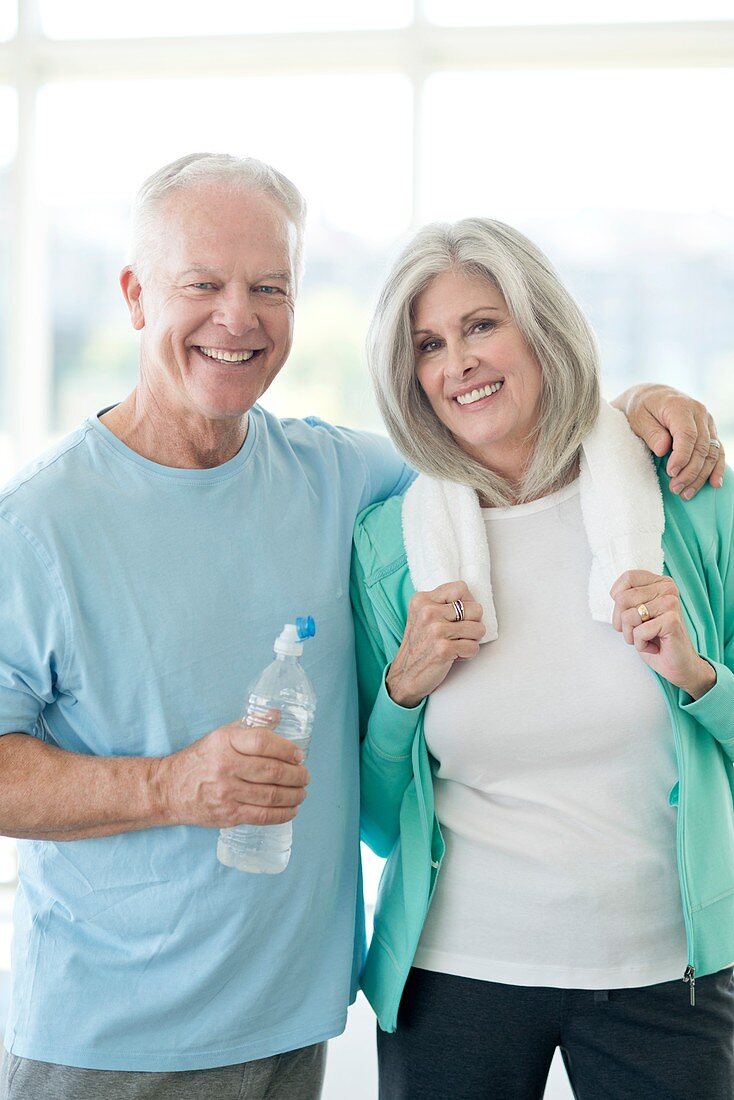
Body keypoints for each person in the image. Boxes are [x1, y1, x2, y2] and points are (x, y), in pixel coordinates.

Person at [0, 154, 723, 1100]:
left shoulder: (348, 485)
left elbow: (504, 446)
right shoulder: (40, 527)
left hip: (294, 1024)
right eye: (201, 285)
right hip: (110, 1038)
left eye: (269, 287)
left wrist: (635, 417)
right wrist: (173, 784)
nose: (238, 316)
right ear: (136, 295)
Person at [351, 218, 734, 1099]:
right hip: (454, 977)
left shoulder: (685, 501)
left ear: (542, 327)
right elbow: (376, 820)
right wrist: (402, 694)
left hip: (664, 976)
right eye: (429, 345)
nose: (459, 364)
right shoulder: (388, 550)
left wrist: (697, 677)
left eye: (482, 325)